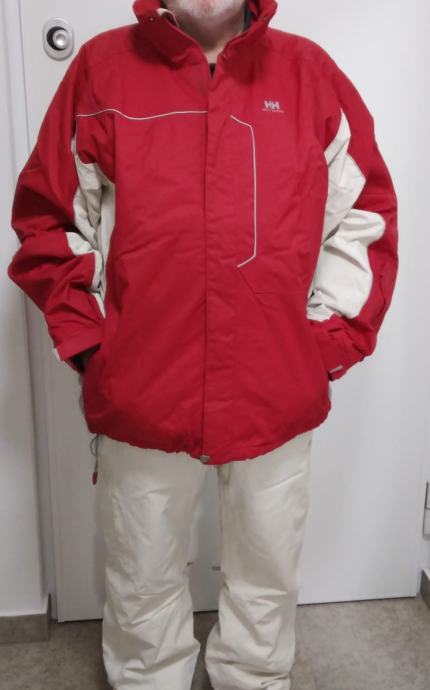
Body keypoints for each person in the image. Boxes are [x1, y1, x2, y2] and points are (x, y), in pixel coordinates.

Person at [7, 1, 399, 688]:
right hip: (141, 384)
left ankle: (254, 676)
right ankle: (148, 676)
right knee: (141, 565)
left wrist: (324, 344)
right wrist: (93, 345)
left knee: (267, 564)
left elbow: (363, 216)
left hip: (276, 384)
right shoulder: (102, 69)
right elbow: (52, 216)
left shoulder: (309, 76)